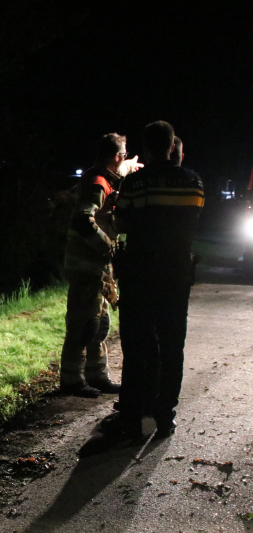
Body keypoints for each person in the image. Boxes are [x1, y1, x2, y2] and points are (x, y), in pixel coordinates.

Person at [106, 121, 204, 438]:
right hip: (176, 273)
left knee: (137, 343)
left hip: (140, 273)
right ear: (172, 147)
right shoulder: (194, 183)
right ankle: (165, 414)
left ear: (146, 148)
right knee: (172, 344)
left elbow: (121, 223)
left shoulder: (136, 182)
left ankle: (132, 414)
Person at [59, 133, 142, 397]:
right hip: (87, 266)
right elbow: (83, 221)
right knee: (83, 325)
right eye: (124, 155)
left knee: (99, 324)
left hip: (98, 268)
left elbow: (120, 169)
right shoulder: (96, 184)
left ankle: (97, 376)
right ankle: (72, 380)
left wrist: (131, 165)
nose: (124, 159)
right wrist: (109, 247)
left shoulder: (104, 176)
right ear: (115, 156)